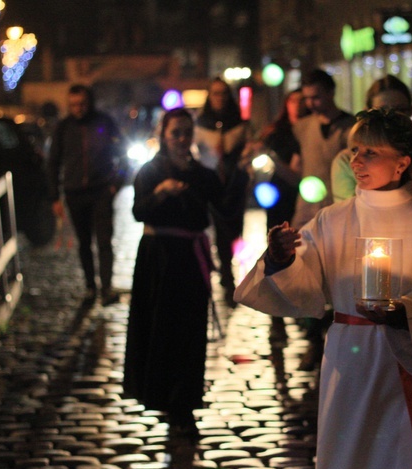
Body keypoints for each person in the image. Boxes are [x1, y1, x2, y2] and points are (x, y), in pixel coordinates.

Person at [236, 109, 412, 469]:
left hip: (408, 360)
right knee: (348, 459)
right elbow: (304, 284)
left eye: (370, 153)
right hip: (350, 362)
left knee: (403, 464)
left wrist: (406, 311)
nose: (356, 161)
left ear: (402, 163)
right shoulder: (333, 219)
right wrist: (282, 258)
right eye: (354, 150)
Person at [124, 108, 223, 436]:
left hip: (190, 260)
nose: (181, 139)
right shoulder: (151, 172)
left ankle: (185, 403)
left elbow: (223, 206)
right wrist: (161, 192)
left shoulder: (201, 173)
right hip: (159, 259)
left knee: (191, 330)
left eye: (186, 132)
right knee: (161, 329)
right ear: (164, 136)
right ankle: (166, 398)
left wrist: (238, 172)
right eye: (175, 133)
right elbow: (139, 212)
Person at [292, 68, 356, 369]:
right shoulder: (302, 126)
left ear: (330, 92)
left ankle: (338, 340)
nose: (312, 103)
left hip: (341, 212)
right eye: (307, 98)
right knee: (309, 278)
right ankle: (313, 340)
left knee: (339, 279)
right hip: (307, 211)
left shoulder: (351, 126)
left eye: (317, 96)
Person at [47, 84, 128, 306]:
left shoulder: (104, 122)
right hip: (75, 193)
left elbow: (124, 154)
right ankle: (90, 287)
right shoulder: (63, 128)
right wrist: (55, 196)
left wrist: (115, 185)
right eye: (73, 105)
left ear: (89, 102)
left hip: (101, 191)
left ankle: (106, 288)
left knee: (104, 241)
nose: (78, 108)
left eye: (82, 104)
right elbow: (53, 162)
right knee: (84, 242)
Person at [240, 88, 307, 342]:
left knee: (303, 257)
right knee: (278, 257)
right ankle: (276, 318)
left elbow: (295, 175)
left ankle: (302, 314)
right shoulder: (276, 133)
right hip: (278, 200)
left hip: (302, 200)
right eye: (294, 101)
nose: (299, 106)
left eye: (303, 101)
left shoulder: (307, 134)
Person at [331, 74, 412, 212]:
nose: (391, 119)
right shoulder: (346, 161)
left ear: (411, 111)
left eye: (400, 110)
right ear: (367, 113)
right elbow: (348, 214)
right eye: (381, 111)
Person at [194, 77, 251, 307]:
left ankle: (233, 273)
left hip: (235, 183)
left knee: (235, 230)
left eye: (223, 93)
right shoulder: (202, 123)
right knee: (219, 231)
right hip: (213, 184)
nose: (220, 98)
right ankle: (226, 276)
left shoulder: (239, 122)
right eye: (215, 93)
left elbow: (246, 150)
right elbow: (198, 152)